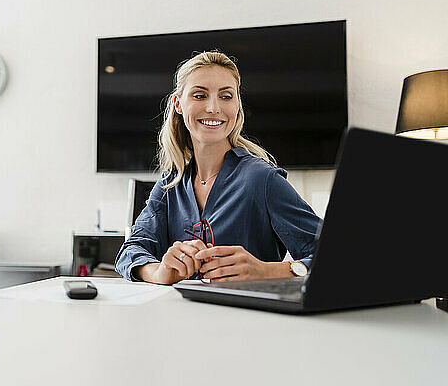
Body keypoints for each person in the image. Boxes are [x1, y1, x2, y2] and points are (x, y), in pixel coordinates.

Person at [115, 51, 321, 285]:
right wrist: (159, 271)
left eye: (225, 96)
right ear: (178, 104)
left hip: (251, 318)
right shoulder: (169, 184)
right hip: (180, 318)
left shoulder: (262, 179)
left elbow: (334, 256)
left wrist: (267, 271)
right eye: (200, 95)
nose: (213, 108)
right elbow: (129, 252)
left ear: (237, 105)